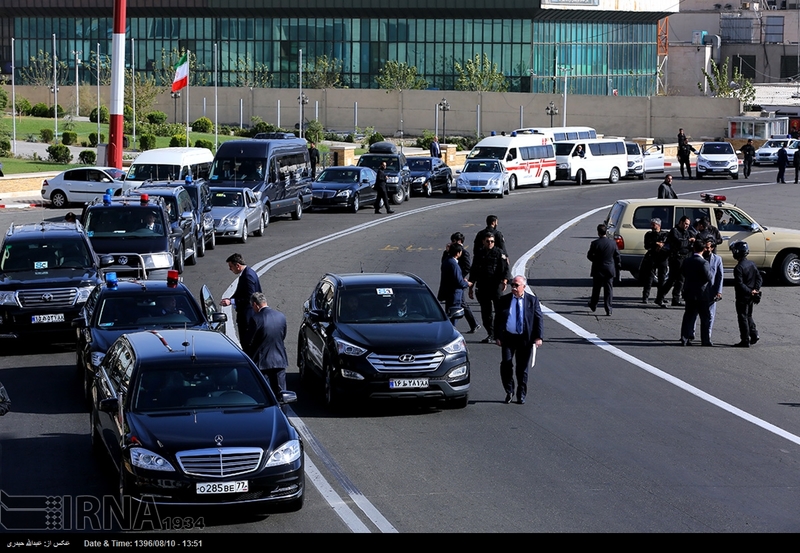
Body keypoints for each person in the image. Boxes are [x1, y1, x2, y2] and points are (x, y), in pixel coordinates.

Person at [494, 275, 543, 405]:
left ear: (524, 287)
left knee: (522, 368)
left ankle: (521, 393)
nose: (514, 288)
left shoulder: (532, 301)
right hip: (508, 338)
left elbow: (538, 319)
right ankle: (509, 390)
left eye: (517, 285)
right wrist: (497, 336)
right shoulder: (504, 300)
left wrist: (538, 337)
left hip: (524, 339)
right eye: (512, 285)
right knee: (506, 364)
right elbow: (498, 319)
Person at [243, 292, 288, 394]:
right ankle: (283, 410)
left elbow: (247, 342)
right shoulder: (281, 316)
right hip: (279, 360)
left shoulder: (255, 319)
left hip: (262, 363)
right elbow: (282, 336)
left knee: (264, 393)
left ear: (255, 304)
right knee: (282, 394)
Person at [469, 232, 510, 343]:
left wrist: (505, 281)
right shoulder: (479, 254)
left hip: (495, 286)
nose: (490, 243)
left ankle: (500, 333)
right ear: (483, 241)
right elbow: (473, 271)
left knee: (499, 311)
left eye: (492, 241)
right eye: (488, 241)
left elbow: (505, 268)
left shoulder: (499, 253)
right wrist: (470, 287)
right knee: (486, 313)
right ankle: (491, 334)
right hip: (482, 286)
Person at [442, 232, 480, 332]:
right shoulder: (449, 254)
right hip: (457, 282)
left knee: (458, 306)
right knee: (461, 304)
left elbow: (467, 267)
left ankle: (470, 324)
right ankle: (473, 324)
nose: (451, 243)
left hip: (459, 282)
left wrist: (461, 277)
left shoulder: (464, 253)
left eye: (453, 241)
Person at [679, 240, 714, 347]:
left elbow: (683, 273)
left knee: (688, 316)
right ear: (703, 250)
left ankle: (685, 338)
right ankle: (705, 340)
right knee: (705, 318)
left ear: (694, 248)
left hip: (689, 292)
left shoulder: (687, 261)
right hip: (702, 294)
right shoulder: (704, 263)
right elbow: (709, 277)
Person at [220, 253, 263, 339]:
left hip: (248, 316)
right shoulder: (248, 273)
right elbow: (242, 292)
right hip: (249, 315)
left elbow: (250, 298)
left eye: (231, 266)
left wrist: (231, 301)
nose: (230, 269)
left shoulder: (248, 276)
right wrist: (230, 299)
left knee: (246, 342)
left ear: (237, 266)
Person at [658, 215, 696, 307]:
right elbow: (679, 243)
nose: (687, 226)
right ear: (681, 222)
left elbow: (688, 245)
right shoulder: (674, 231)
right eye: (686, 224)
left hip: (684, 258)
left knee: (681, 280)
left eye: (688, 224)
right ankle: (659, 298)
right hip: (675, 259)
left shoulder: (686, 232)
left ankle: (676, 299)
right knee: (671, 280)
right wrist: (688, 241)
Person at [731, 241, 762, 348]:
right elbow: (759, 278)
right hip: (751, 296)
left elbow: (739, 284)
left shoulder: (739, 268)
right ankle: (754, 334)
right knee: (749, 315)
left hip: (743, 296)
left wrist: (750, 291)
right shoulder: (752, 264)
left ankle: (745, 339)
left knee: (743, 317)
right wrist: (755, 290)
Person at [586, 223, 620, 316]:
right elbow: (617, 255)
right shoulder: (612, 243)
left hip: (598, 268)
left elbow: (589, 256)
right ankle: (608, 308)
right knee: (608, 289)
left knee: (596, 288)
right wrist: (616, 264)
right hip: (609, 268)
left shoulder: (595, 243)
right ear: (606, 232)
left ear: (598, 232)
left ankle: (593, 304)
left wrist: (595, 261)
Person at [438, 243, 470, 325]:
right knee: (454, 317)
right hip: (454, 294)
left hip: (448, 293)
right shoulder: (453, 264)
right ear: (458, 253)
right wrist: (467, 283)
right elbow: (459, 282)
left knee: (449, 315)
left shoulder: (447, 260)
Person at [640, 218, 669, 304]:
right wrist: (656, 243)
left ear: (659, 225)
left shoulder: (665, 234)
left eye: (654, 225)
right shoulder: (648, 234)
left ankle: (660, 297)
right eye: (651, 224)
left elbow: (668, 244)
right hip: (652, 257)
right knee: (649, 278)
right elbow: (647, 245)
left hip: (663, 258)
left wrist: (662, 245)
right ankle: (645, 297)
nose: (652, 226)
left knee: (662, 279)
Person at [703, 237, 724, 343]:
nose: (706, 249)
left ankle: (708, 334)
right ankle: (691, 334)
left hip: (711, 292)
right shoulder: (699, 257)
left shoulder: (717, 259)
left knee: (710, 315)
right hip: (699, 292)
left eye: (708, 247)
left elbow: (720, 276)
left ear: (712, 248)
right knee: (694, 314)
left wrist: (719, 291)